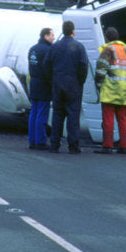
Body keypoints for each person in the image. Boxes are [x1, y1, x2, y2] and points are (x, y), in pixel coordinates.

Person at [42, 20, 89, 154]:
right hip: (73, 85)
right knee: (73, 116)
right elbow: (83, 67)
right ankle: (73, 146)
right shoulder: (79, 47)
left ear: (63, 31)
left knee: (57, 115)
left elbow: (46, 65)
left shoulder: (55, 46)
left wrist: (52, 80)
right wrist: (80, 82)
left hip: (57, 84)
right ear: (73, 31)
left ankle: (54, 144)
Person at [93, 27, 126, 154]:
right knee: (122, 119)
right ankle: (124, 146)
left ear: (107, 38)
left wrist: (100, 85)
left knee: (108, 119)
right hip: (124, 90)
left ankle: (107, 146)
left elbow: (100, 70)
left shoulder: (108, 50)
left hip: (110, 90)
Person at [26, 26, 55, 150]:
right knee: (42, 113)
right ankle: (40, 141)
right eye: (52, 35)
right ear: (46, 36)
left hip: (34, 82)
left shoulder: (33, 49)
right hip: (44, 84)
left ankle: (32, 140)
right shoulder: (48, 50)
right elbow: (48, 69)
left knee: (34, 112)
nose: (54, 37)